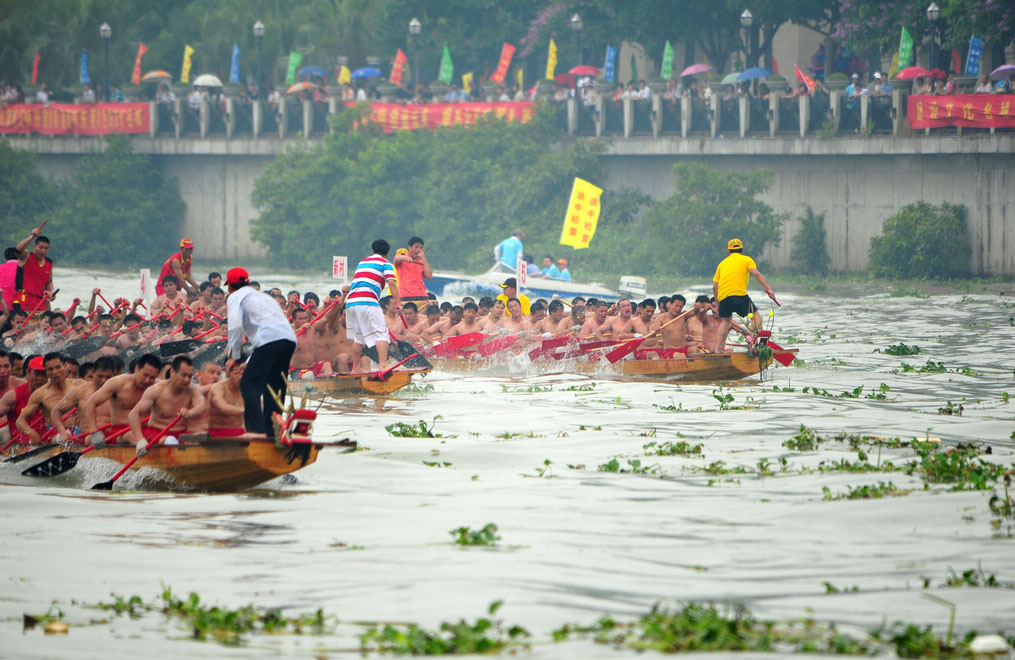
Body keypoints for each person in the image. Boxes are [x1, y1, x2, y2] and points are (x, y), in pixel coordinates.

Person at [225, 267, 297, 440]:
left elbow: (235, 326)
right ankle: (273, 431)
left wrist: (233, 356)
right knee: (274, 387)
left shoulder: (235, 296)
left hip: (269, 340)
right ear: (248, 282)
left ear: (230, 287)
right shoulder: (263, 296)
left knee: (249, 383)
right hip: (289, 340)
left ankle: (255, 431)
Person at [127, 355, 205, 456]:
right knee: (171, 441)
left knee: (201, 438)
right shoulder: (156, 390)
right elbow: (133, 414)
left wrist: (189, 413)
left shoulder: (192, 389)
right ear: (172, 372)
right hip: (158, 434)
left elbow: (201, 406)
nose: (187, 379)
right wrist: (140, 440)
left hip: (182, 433)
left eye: (190, 376)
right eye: (183, 375)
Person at [712, 238, 776, 353]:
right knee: (756, 316)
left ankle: (717, 349)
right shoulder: (747, 260)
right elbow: (756, 273)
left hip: (724, 296)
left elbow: (715, 287)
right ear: (742, 250)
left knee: (725, 321)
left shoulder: (722, 264)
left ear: (729, 251)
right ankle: (753, 341)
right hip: (739, 294)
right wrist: (769, 289)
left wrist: (718, 302)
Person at [345, 240, 401, 372]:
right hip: (367, 301)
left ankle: (355, 368)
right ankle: (383, 366)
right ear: (387, 253)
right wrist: (398, 303)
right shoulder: (386, 263)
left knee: (359, 337)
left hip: (351, 303)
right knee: (382, 334)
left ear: (372, 251)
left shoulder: (362, 262)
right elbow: (392, 283)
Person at [16, 223, 55, 311]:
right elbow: (18, 249)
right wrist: (32, 236)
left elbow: (49, 282)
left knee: (41, 323)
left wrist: (51, 292)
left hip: (39, 302)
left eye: (46, 248)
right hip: (24, 299)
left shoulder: (49, 262)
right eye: (40, 247)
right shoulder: (26, 256)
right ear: (34, 246)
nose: (43, 251)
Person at [207, 360, 245, 437]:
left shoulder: (248, 390)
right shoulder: (218, 388)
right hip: (217, 433)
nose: (240, 376)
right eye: (237, 372)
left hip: (241, 433)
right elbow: (223, 407)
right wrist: (248, 410)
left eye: (243, 373)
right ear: (228, 373)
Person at [393, 236, 432, 305]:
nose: (419, 250)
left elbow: (429, 276)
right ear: (409, 247)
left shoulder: (422, 261)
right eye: (416, 247)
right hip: (406, 295)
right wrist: (405, 258)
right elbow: (396, 258)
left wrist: (424, 259)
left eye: (420, 248)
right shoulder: (402, 259)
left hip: (422, 295)